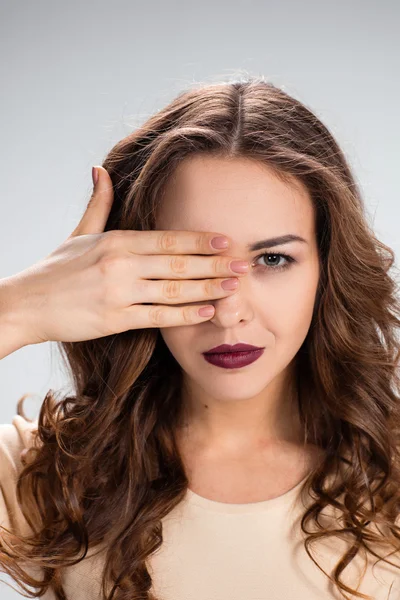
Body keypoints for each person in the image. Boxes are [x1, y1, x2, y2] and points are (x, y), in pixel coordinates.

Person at [1, 76, 400, 600]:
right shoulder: (46, 476)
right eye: (190, 265)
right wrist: (20, 308)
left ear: (328, 267)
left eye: (273, 259)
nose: (229, 313)